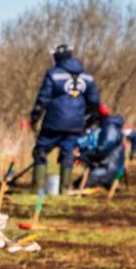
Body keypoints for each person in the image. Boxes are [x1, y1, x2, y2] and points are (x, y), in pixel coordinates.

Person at [27, 43, 100, 194]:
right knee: (68, 153)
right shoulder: (87, 77)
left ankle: (38, 188)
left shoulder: (53, 74)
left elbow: (43, 99)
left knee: (40, 151)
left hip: (53, 123)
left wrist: (35, 118)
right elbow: (94, 102)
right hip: (76, 125)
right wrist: (86, 121)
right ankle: (65, 189)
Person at [77, 106, 127, 190]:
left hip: (108, 169)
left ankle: (106, 183)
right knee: (77, 183)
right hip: (105, 166)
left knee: (78, 186)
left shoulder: (111, 129)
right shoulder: (108, 127)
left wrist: (83, 155)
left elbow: (103, 150)